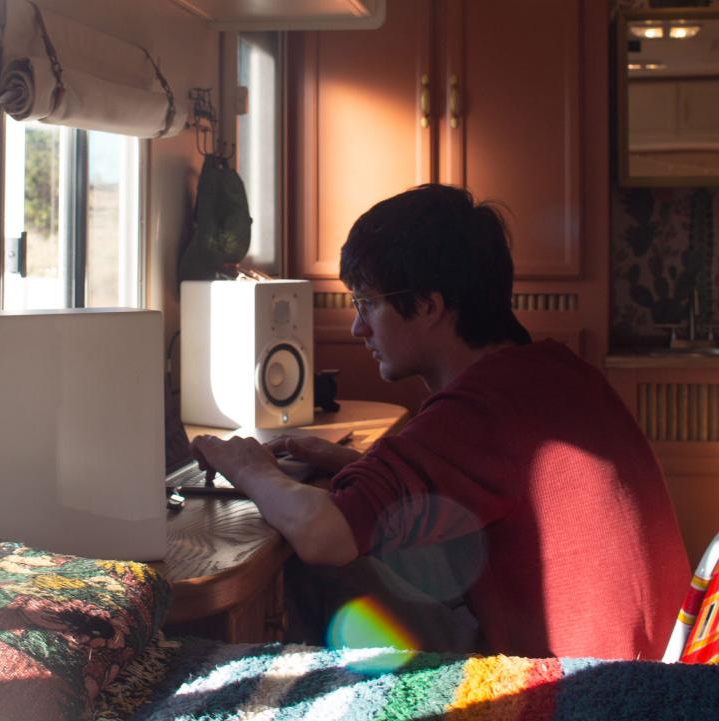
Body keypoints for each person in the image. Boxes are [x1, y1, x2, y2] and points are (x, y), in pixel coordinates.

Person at [190, 183, 690, 660]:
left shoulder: (485, 406)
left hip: (586, 689)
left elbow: (326, 536)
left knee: (317, 565)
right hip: (645, 664)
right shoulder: (555, 372)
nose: (357, 327)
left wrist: (247, 465)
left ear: (428, 306)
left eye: (367, 303)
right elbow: (484, 488)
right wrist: (348, 462)